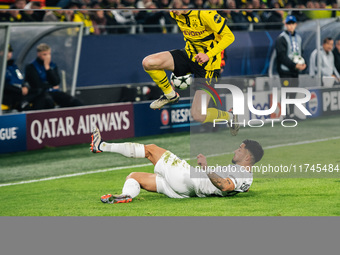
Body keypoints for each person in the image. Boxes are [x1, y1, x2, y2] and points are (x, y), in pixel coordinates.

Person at [90, 128, 264, 204]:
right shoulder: (246, 177)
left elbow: (225, 186)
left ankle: (102, 146)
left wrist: (206, 168)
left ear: (248, 157)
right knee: (134, 177)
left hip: (188, 179)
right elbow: (237, 187)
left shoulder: (241, 172)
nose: (236, 150)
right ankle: (125, 195)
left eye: (240, 149)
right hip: (182, 192)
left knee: (151, 150)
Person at [142, 10, 239, 135]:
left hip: (207, 66)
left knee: (198, 115)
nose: (173, 11)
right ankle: (170, 95)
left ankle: (230, 116)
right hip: (189, 56)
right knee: (148, 62)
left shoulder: (205, 14)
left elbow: (230, 36)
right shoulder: (175, 14)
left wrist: (208, 55)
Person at [24, 43, 83, 110]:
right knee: (48, 101)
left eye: (49, 54)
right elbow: (37, 84)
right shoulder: (31, 67)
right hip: (40, 94)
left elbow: (56, 81)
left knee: (75, 102)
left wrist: (47, 68)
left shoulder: (52, 65)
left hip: (53, 92)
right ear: (38, 54)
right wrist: (50, 85)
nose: (47, 57)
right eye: (44, 54)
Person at [275, 15, 306, 118]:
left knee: (293, 92)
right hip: (285, 70)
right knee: (286, 92)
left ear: (295, 24)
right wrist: (294, 65)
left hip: (294, 70)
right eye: (289, 24)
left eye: (293, 23)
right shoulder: (281, 38)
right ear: (285, 25)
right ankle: (285, 115)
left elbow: (300, 52)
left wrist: (302, 64)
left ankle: (291, 113)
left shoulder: (299, 38)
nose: (291, 26)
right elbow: (281, 57)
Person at [2, 45, 29, 111]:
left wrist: (25, 86)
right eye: (5, 51)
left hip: (19, 95)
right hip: (7, 97)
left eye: (9, 52)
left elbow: (21, 79)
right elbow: (3, 85)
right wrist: (19, 90)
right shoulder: (1, 67)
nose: (7, 54)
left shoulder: (14, 67)